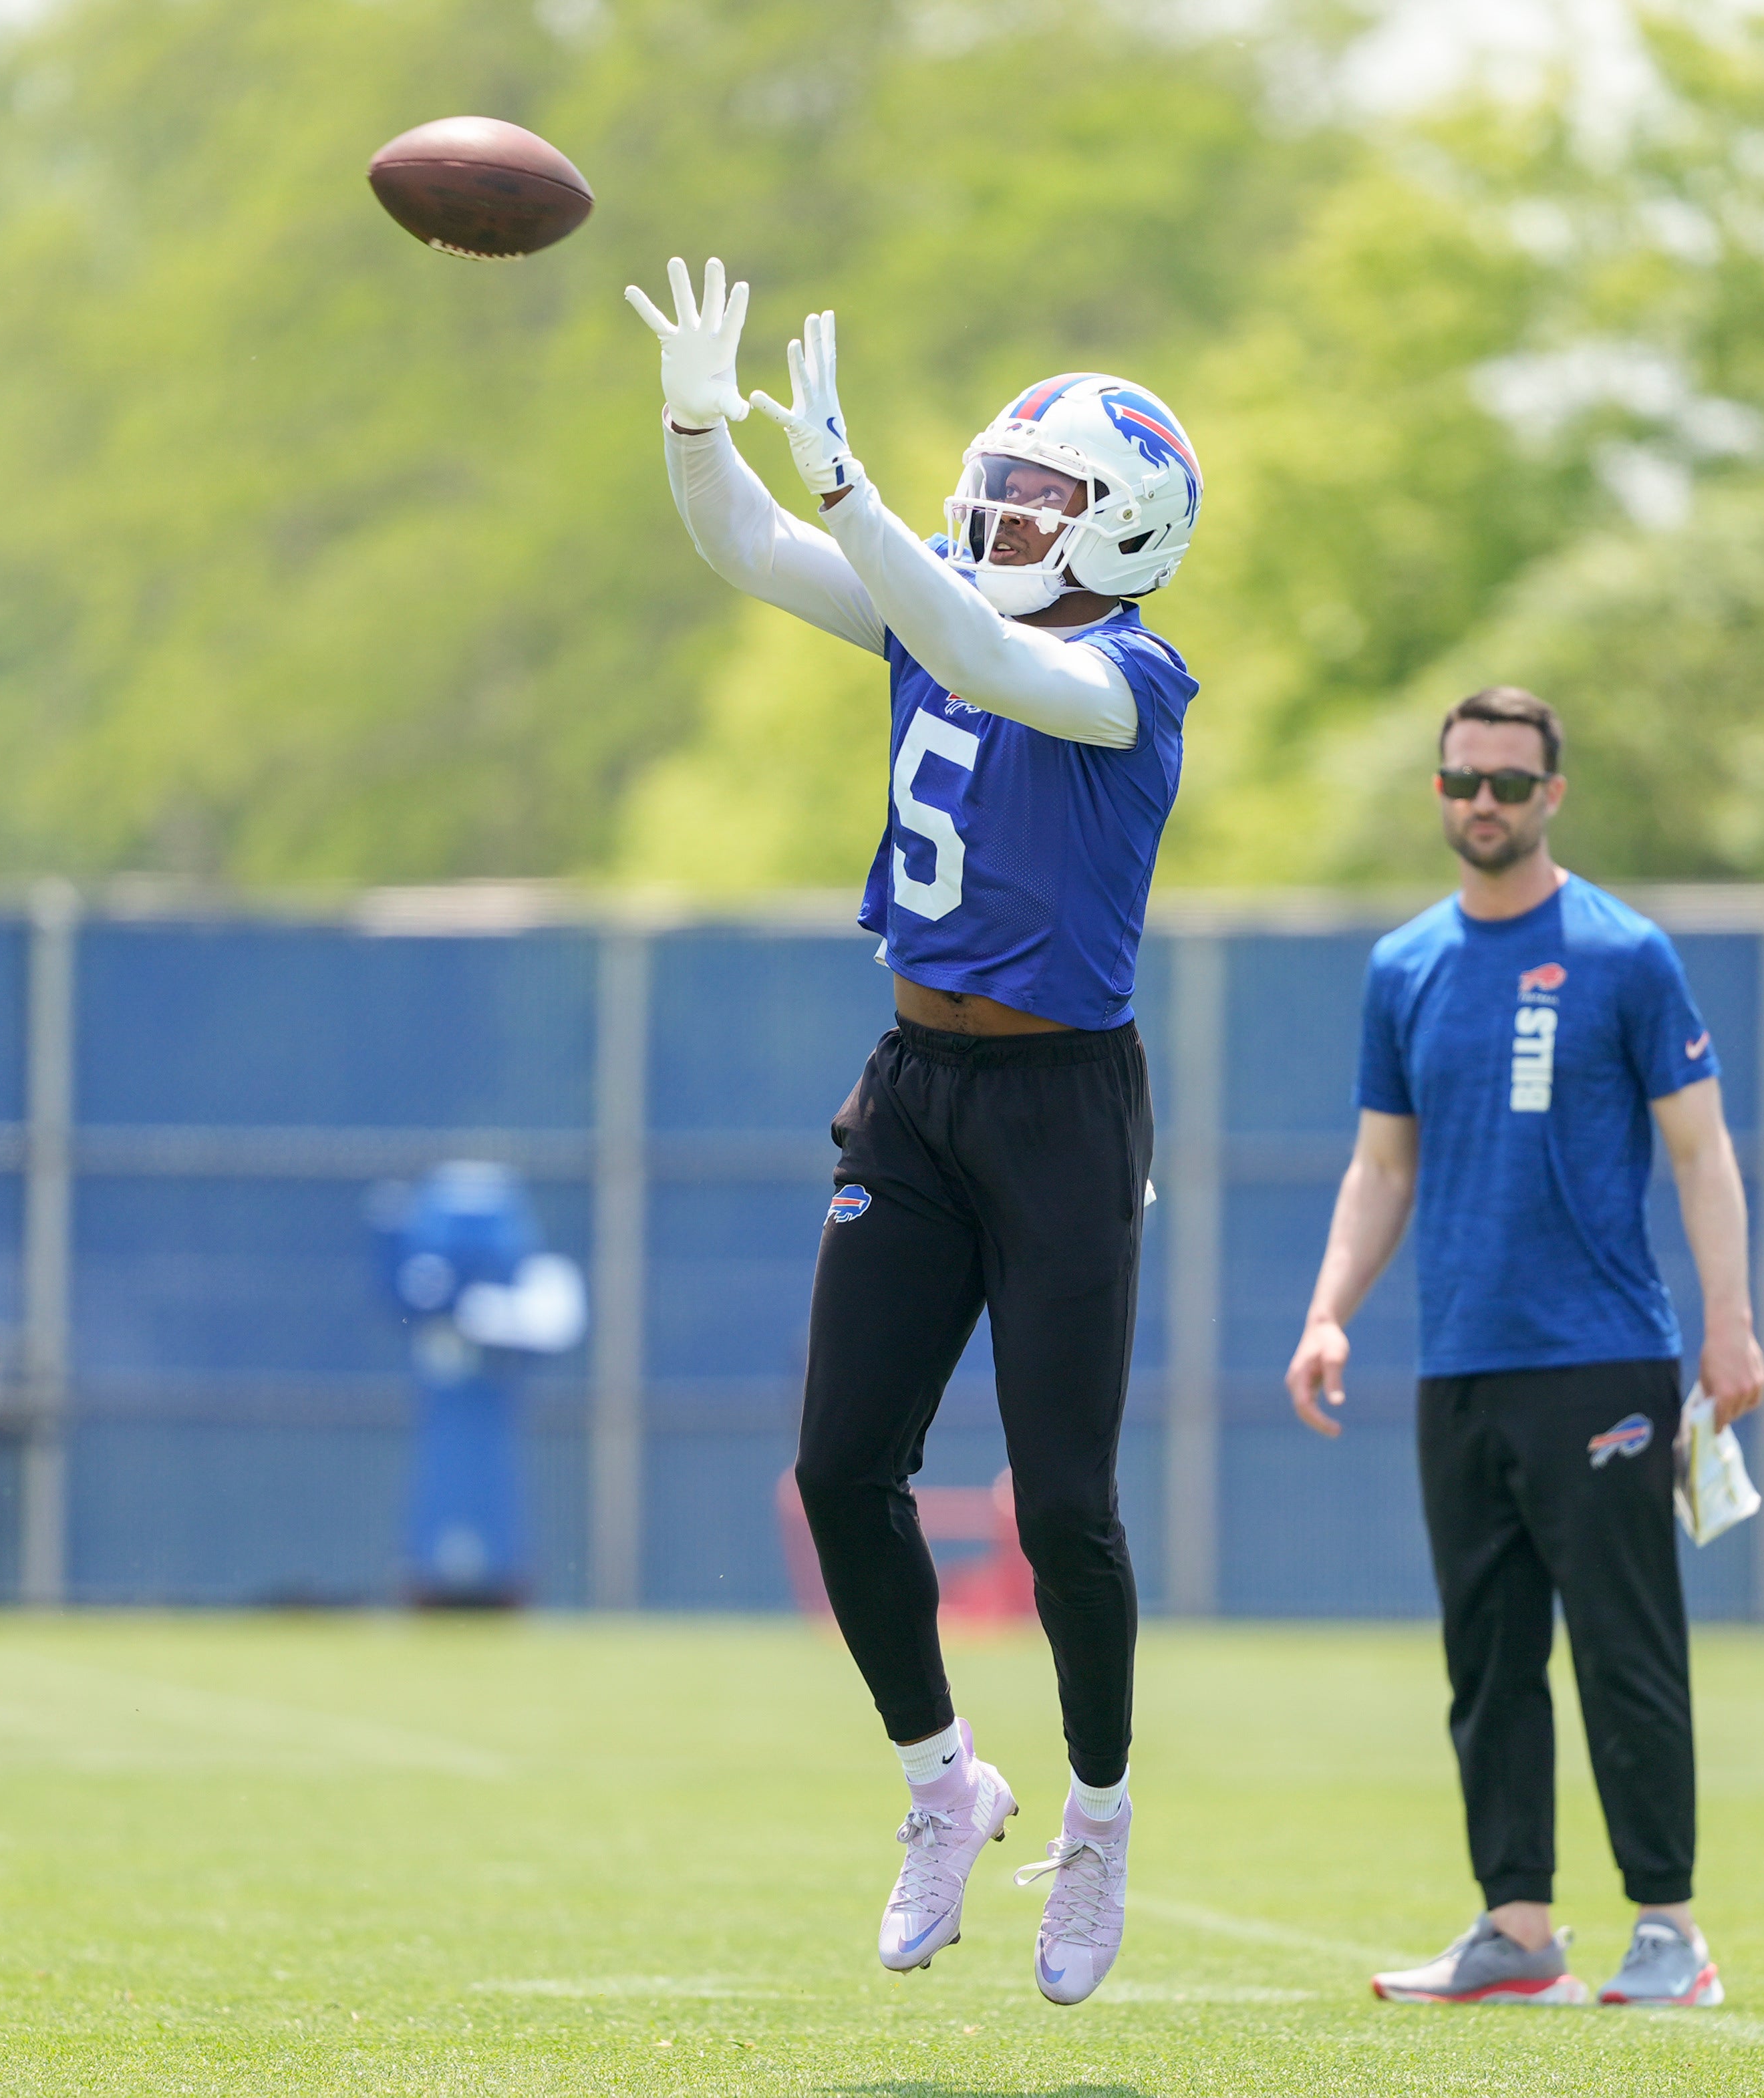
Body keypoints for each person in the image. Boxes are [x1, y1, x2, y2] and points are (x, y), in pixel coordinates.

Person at [624, 259, 1203, 2005]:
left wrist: (858, 497)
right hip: (917, 1086)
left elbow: (966, 643)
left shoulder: (1129, 675)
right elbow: (740, 545)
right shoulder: (925, 589)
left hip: (1060, 1112)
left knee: (1064, 1507)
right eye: (995, 488)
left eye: (1034, 498)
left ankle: (1093, 1817)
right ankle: (941, 1779)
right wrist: (687, 418)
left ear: (1118, 530)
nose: (996, 516)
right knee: (834, 1467)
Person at [1280, 686, 1764, 2010]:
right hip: (1462, 1364)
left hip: (1601, 1355)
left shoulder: (1625, 952)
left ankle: (1670, 1929)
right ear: (1440, 794)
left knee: (1624, 1643)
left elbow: (1701, 1146)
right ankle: (1520, 1930)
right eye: (1461, 782)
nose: (1482, 804)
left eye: (1507, 782)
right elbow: (1384, 1167)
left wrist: (1728, 1321)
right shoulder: (1405, 967)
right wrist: (1331, 1310)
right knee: (1486, 1655)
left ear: (1554, 794)